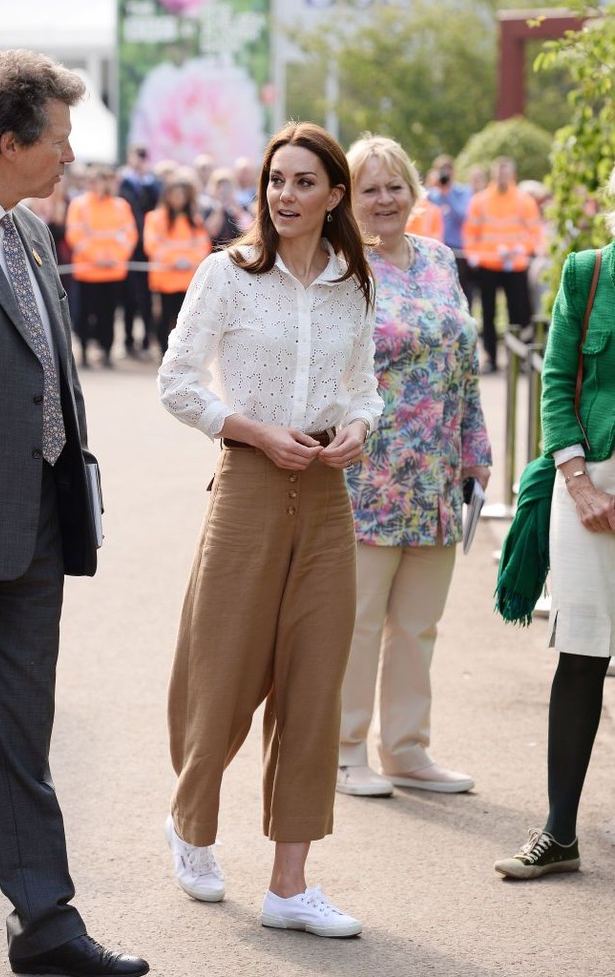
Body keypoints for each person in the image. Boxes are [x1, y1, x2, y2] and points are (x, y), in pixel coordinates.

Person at [158, 121, 383, 937]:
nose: (284, 195)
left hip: (328, 493)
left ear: (333, 196)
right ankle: (191, 826)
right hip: (249, 483)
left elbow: (364, 385)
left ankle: (291, 884)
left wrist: (359, 425)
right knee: (223, 671)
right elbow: (176, 382)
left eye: (301, 182)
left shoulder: (353, 283)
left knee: (314, 682)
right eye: (275, 180)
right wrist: (252, 431)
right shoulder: (228, 274)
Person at [0, 49, 148, 976]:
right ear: (9, 141)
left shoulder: (34, 231)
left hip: (37, 527)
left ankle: (46, 928)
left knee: (21, 738)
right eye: (61, 139)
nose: (72, 156)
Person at [336, 134, 492, 798]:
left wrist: (476, 451)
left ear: (413, 191)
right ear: (349, 198)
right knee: (359, 618)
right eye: (369, 188)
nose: (383, 200)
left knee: (419, 623)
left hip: (435, 476)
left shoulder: (438, 258)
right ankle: (343, 749)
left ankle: (406, 748)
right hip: (367, 473)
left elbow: (463, 366)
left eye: (393, 185)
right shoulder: (340, 268)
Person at [494, 171, 615, 880]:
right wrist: (578, 481)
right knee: (582, 653)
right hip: (588, 487)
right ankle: (558, 832)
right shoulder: (587, 272)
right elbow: (557, 379)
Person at [462, 156, 543, 373]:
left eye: (505, 174)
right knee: (488, 314)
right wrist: (473, 255)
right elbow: (470, 232)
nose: (501, 178)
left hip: (515, 266)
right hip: (488, 264)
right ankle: (491, 358)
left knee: (519, 313)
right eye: (498, 174)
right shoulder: (480, 201)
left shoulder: (524, 201)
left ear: (513, 175)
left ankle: (519, 358)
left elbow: (535, 233)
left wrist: (520, 248)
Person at [65, 165, 138, 368]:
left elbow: (129, 235)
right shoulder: (79, 205)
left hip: (112, 271)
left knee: (109, 315)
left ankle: (106, 353)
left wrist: (114, 257)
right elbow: (75, 235)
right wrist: (97, 257)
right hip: (87, 271)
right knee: (83, 315)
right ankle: (85, 353)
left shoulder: (120, 205)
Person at [143, 169, 211, 355]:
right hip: (165, 279)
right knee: (164, 316)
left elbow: (202, 245)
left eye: (182, 195)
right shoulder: (155, 218)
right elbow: (152, 245)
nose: (178, 199)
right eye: (175, 195)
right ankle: (163, 352)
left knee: (186, 319)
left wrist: (187, 260)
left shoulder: (194, 220)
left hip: (187, 279)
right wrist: (175, 259)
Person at [117, 144, 160, 357]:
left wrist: (145, 178)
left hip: (146, 248)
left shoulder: (152, 183)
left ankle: (145, 341)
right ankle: (127, 340)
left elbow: (156, 202)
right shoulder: (123, 181)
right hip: (128, 248)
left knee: (145, 298)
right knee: (127, 298)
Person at [427, 155, 474, 308]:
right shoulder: (431, 195)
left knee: (463, 289)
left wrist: (447, 195)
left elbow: (462, 216)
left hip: (458, 250)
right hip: (437, 249)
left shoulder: (463, 192)